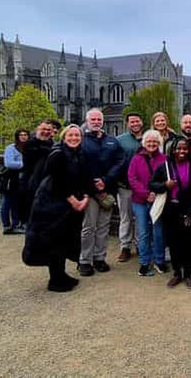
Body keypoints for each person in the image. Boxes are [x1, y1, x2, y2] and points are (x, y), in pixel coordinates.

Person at [22, 125, 92, 292]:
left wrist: (87, 197)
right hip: (51, 204)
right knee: (53, 239)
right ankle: (56, 280)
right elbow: (58, 181)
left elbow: (86, 177)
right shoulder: (57, 154)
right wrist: (74, 201)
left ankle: (60, 274)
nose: (74, 138)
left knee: (64, 239)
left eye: (77, 135)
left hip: (69, 203)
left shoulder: (80, 154)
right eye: (70, 135)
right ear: (63, 137)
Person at [151, 138, 191, 289]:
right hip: (171, 210)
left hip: (189, 210)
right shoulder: (165, 166)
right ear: (173, 150)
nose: (181, 152)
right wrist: (164, 185)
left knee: (188, 243)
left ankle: (188, 274)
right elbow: (152, 184)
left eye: (185, 149)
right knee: (173, 242)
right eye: (178, 149)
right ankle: (177, 273)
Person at [78, 108, 125, 277]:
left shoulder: (111, 140)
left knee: (103, 227)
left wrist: (105, 180)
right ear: (87, 121)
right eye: (93, 119)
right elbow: (78, 165)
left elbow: (120, 162)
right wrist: (93, 183)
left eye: (99, 119)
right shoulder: (81, 140)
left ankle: (99, 258)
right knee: (88, 227)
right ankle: (84, 261)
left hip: (108, 189)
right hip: (89, 192)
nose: (97, 122)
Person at [127, 130, 168, 276]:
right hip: (140, 200)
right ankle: (144, 262)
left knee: (158, 232)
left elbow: (166, 179)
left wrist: (156, 193)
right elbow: (132, 178)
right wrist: (146, 194)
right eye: (149, 141)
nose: (152, 144)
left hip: (158, 200)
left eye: (155, 141)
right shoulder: (136, 158)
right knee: (143, 232)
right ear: (144, 142)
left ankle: (159, 260)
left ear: (159, 143)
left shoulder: (164, 159)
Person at [116, 113, 144, 262]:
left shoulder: (148, 138)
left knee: (141, 217)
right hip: (125, 186)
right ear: (127, 123)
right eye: (132, 122)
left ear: (142, 122)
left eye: (137, 121)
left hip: (142, 187)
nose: (135, 124)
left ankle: (141, 245)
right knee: (125, 217)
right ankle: (125, 247)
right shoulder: (120, 140)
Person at [18, 120, 54, 225]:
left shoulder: (51, 144)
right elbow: (36, 155)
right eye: (43, 129)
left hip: (47, 186)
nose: (46, 132)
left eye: (49, 130)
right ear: (37, 130)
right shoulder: (29, 144)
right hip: (31, 185)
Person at [0, 129, 29, 235]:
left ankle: (16, 225)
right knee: (6, 202)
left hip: (21, 180)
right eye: (21, 135)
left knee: (16, 203)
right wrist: (25, 164)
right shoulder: (11, 148)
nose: (23, 137)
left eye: (25, 135)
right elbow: (9, 163)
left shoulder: (28, 148)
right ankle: (6, 225)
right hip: (10, 178)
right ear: (17, 136)